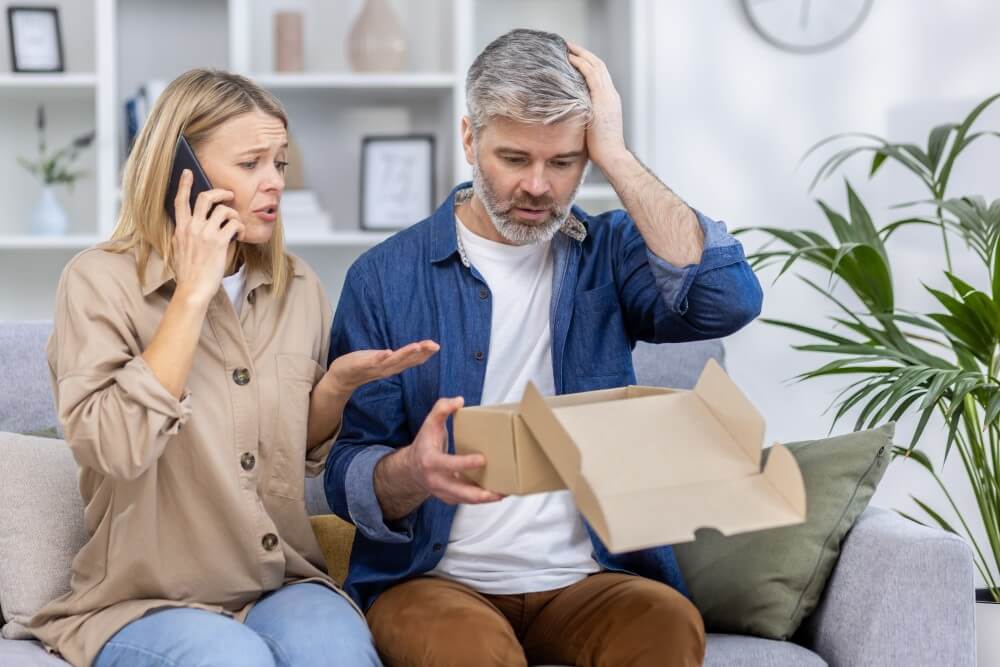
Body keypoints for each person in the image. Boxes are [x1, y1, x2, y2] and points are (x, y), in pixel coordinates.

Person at [325, 29, 763, 667]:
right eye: (514, 158)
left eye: (563, 162)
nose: (538, 186)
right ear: (470, 138)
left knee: (668, 625)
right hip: (434, 582)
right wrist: (411, 473)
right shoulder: (384, 277)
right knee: (468, 653)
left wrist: (616, 155)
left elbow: (729, 300)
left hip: (592, 578)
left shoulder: (608, 253)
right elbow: (344, 470)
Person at [28, 69, 436, 667]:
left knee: (338, 654)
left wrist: (336, 388)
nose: (275, 183)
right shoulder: (97, 282)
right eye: (250, 164)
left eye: (280, 163)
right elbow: (114, 447)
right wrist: (193, 292)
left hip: (280, 581)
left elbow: (293, 451)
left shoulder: (297, 286)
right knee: (232, 658)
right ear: (181, 172)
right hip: (144, 599)